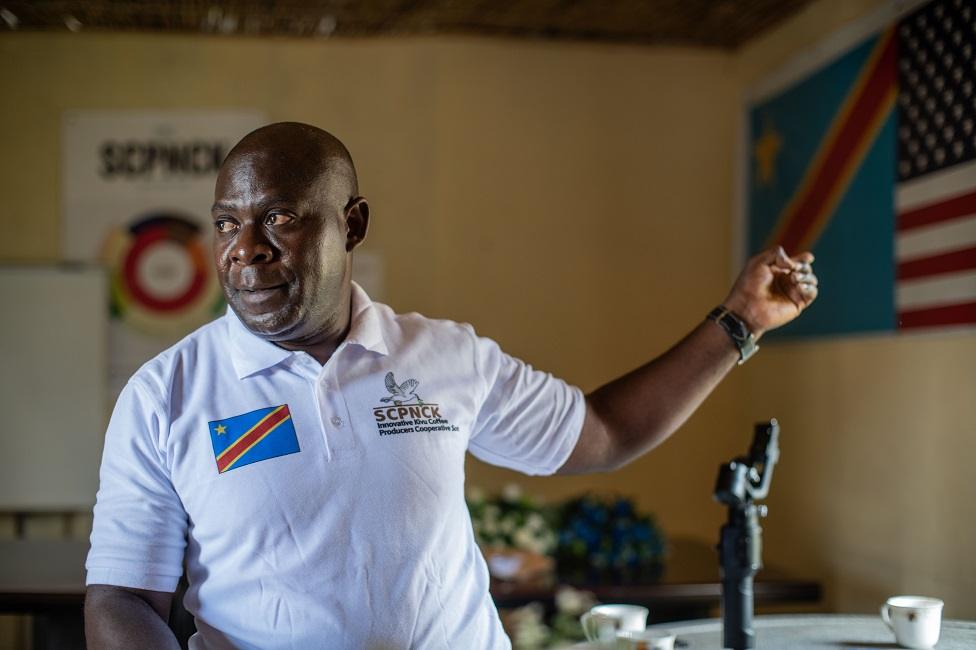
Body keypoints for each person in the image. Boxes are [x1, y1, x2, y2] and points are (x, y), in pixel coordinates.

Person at [84, 122, 818, 649]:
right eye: (226, 223)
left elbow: (604, 432)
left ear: (353, 225)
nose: (246, 249)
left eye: (279, 217)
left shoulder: (444, 356)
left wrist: (741, 320)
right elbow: (121, 598)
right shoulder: (164, 395)